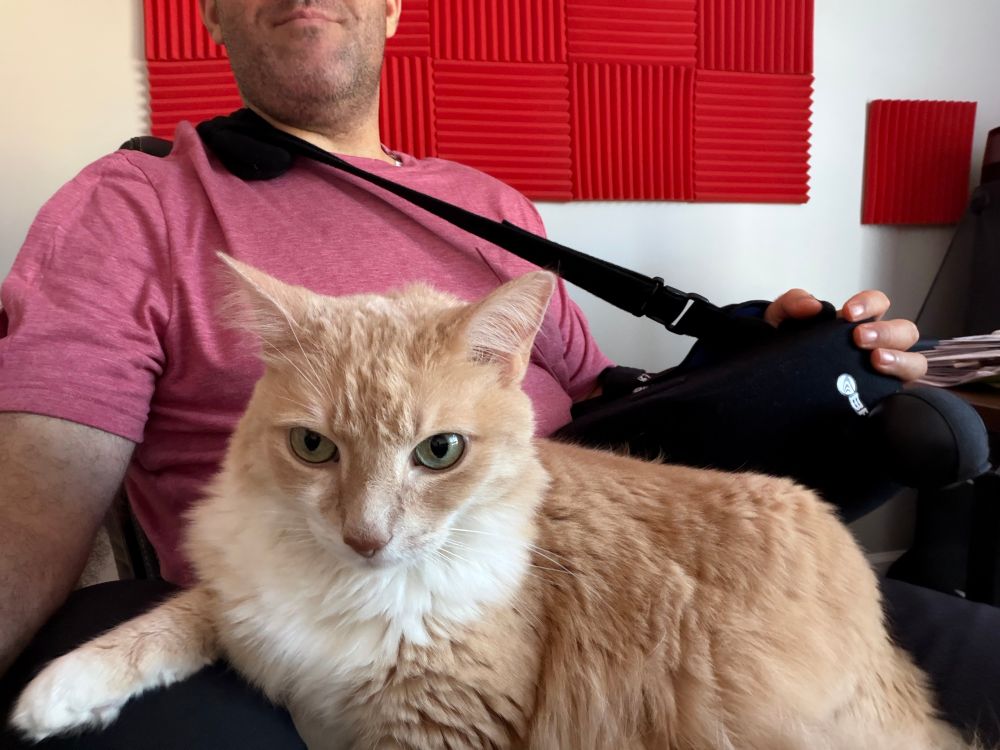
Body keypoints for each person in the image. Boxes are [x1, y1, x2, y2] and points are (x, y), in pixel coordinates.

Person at [0, 1, 994, 748]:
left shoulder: (492, 207)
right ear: (208, 12)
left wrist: (757, 362)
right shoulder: (139, 202)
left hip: (598, 575)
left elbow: (602, 403)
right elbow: (33, 498)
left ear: (394, 6)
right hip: (333, 620)